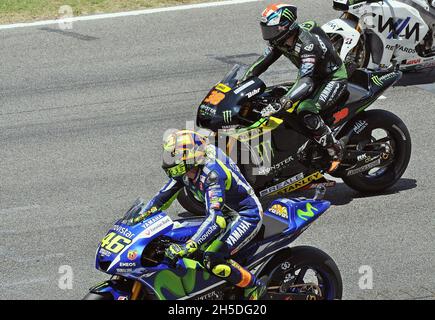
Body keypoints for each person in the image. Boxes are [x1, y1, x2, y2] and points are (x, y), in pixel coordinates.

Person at [135, 130, 266, 300]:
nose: (172, 161)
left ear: (192, 157)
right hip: (222, 215)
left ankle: (254, 286)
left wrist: (190, 245)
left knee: (212, 258)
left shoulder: (212, 174)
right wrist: (139, 217)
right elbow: (161, 198)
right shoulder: (187, 169)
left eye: (177, 158)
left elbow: (216, 220)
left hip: (244, 215)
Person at [241, 3, 349, 172]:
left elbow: (306, 81)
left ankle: (334, 148)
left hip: (332, 78)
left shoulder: (307, 44)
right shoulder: (280, 40)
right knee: (272, 95)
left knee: (306, 110)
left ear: (286, 26)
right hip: (312, 77)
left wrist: (284, 101)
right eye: (266, 29)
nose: (268, 35)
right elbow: (261, 63)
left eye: (272, 29)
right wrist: (243, 82)